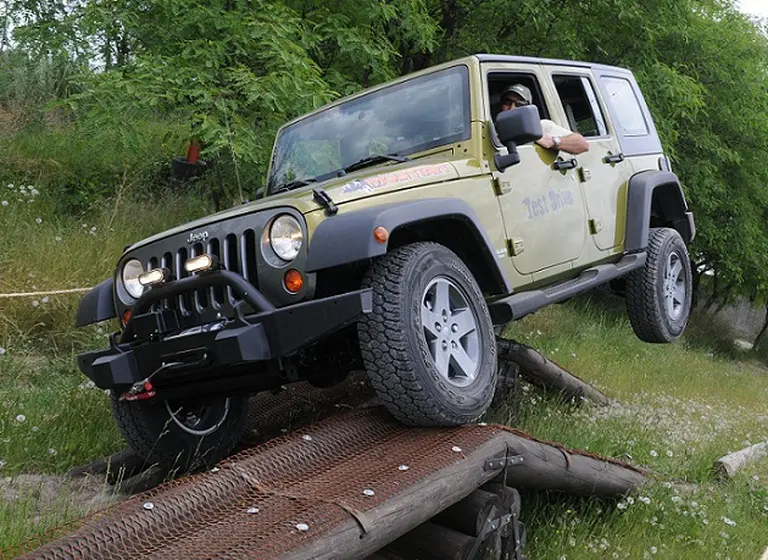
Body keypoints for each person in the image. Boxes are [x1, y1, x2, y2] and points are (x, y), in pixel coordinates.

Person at [499, 84, 589, 155]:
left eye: (519, 105)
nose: (512, 108)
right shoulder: (492, 129)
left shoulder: (541, 127)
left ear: (528, 110)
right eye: (507, 102)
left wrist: (553, 142)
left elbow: (582, 144)